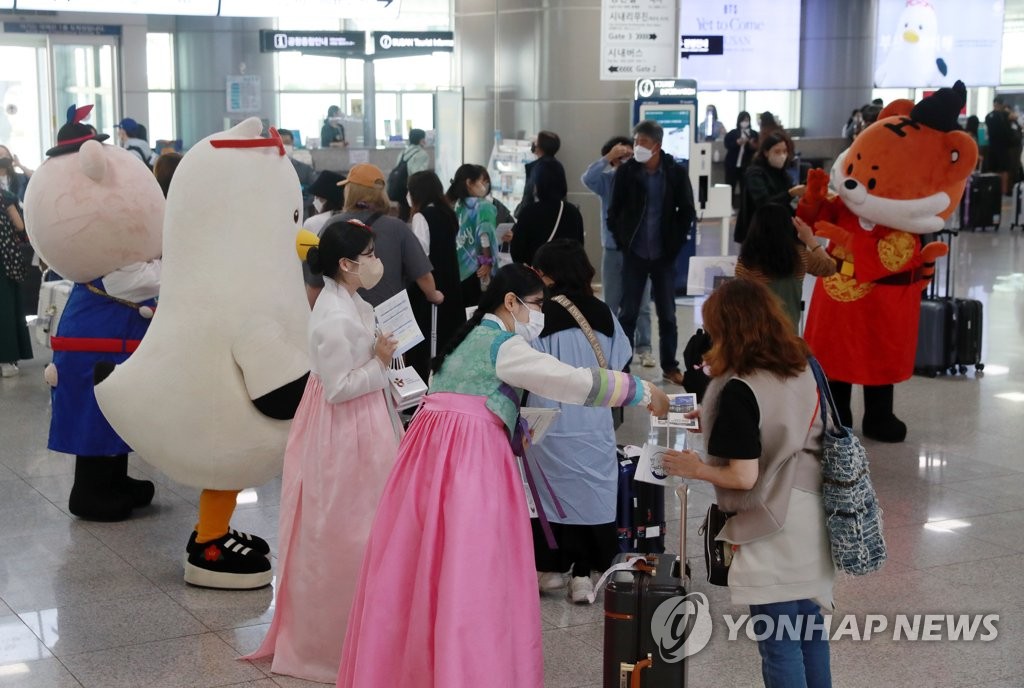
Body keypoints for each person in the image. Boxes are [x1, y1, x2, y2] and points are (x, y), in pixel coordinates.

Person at [337, 263, 670, 688]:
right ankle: (466, 669)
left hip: (427, 458)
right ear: (511, 302)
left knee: (425, 564)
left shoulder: (466, 339)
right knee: (473, 567)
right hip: (470, 462)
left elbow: (469, 398)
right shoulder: (505, 346)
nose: (540, 316)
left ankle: (417, 666)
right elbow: (569, 382)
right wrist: (642, 391)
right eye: (536, 305)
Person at [248, 220, 401, 683]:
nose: (376, 261)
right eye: (369, 253)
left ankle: (366, 636)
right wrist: (379, 363)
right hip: (343, 428)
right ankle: (329, 646)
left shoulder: (351, 300)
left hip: (364, 421)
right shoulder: (333, 316)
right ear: (346, 264)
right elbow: (339, 388)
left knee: (366, 527)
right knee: (341, 532)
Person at [661, 278, 834, 688]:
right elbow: (779, 423)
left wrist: (693, 467)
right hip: (813, 511)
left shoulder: (738, 386)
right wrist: (716, 422)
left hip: (773, 521)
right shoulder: (802, 363)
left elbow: (743, 475)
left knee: (779, 643)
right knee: (809, 631)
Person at [527, 240, 633, 603]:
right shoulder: (603, 313)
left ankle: (552, 569)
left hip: (550, 423)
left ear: (548, 275)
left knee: (551, 495)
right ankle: (585, 575)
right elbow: (620, 363)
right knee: (592, 495)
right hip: (594, 422)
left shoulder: (539, 316)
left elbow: (526, 368)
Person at [606, 119, 697, 386]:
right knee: (628, 312)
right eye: (635, 142)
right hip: (634, 253)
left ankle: (670, 366)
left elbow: (687, 211)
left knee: (668, 314)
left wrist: (675, 243)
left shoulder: (675, 173)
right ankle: (622, 365)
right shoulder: (627, 173)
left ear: (657, 145)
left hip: (663, 255)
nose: (637, 147)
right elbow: (614, 212)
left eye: (642, 143)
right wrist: (623, 242)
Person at [307, 163, 442, 310]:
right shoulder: (397, 227)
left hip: (345, 315)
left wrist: (314, 313)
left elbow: (316, 281)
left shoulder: (332, 225)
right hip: (390, 320)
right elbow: (423, 274)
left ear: (350, 191)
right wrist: (433, 295)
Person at [581, 136, 656, 368]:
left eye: (629, 156)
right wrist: (608, 157)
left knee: (642, 303)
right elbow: (587, 178)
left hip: (641, 250)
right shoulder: (607, 181)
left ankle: (644, 348)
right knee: (611, 301)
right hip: (613, 250)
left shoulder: (644, 180)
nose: (625, 161)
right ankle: (610, 346)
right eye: (620, 158)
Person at [403, 170, 466, 381]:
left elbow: (418, 258)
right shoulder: (448, 213)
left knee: (428, 346)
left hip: (431, 291)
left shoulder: (422, 217)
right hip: (451, 286)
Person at [735, 204, 836, 330]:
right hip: (788, 335)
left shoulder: (745, 263)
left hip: (753, 335)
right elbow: (830, 267)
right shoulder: (800, 257)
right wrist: (809, 239)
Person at [509, 158, 584, 264]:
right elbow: (579, 247)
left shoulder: (529, 212)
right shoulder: (573, 212)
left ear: (537, 184)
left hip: (537, 275)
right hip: (567, 275)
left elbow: (517, 252)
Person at [446, 163, 498, 307]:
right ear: (469, 183)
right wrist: (487, 261)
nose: (484, 186)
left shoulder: (451, 204)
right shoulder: (483, 206)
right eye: (481, 181)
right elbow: (485, 235)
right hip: (476, 270)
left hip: (453, 269)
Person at [736, 131, 797, 244]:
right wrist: (791, 193)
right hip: (757, 233)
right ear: (766, 152)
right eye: (777, 151)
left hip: (779, 232)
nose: (782, 155)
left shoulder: (784, 175)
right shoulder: (755, 173)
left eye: (785, 151)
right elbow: (764, 202)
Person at [0, 192, 31, 377]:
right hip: (5, 260)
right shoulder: (5, 196)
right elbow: (20, 226)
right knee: (6, 308)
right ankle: (6, 359)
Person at [517, 129, 563, 217]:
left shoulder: (536, 167)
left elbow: (528, 197)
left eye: (536, 142)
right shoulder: (558, 166)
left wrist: (520, 214)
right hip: (555, 215)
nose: (534, 144)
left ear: (540, 147)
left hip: (537, 216)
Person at [393, 128, 431, 220]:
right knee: (416, 216)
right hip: (413, 189)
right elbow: (419, 174)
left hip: (400, 189)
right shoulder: (422, 154)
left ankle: (401, 232)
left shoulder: (403, 153)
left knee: (403, 216)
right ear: (421, 140)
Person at [723, 112, 759, 208]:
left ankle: (744, 208)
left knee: (745, 188)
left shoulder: (754, 134)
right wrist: (737, 142)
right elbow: (727, 144)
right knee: (730, 187)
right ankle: (728, 207)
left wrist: (751, 144)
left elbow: (757, 148)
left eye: (747, 120)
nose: (745, 122)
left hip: (746, 165)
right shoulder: (733, 133)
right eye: (743, 120)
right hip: (732, 165)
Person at [278, 129, 317, 215]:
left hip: (300, 213)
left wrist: (302, 205)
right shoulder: (268, 169)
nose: (284, 146)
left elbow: (314, 191)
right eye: (280, 143)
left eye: (287, 142)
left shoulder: (305, 169)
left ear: (292, 143)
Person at [985, 97, 1016, 195]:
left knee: (994, 169)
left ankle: (993, 190)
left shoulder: (988, 116)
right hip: (1004, 146)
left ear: (994, 104)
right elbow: (1014, 117)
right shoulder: (1004, 114)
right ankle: (1003, 191)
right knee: (1004, 170)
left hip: (992, 146)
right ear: (1002, 104)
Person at [303, 170, 346, 235]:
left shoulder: (312, 222)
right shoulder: (351, 220)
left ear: (325, 199)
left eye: (317, 196)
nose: (315, 200)